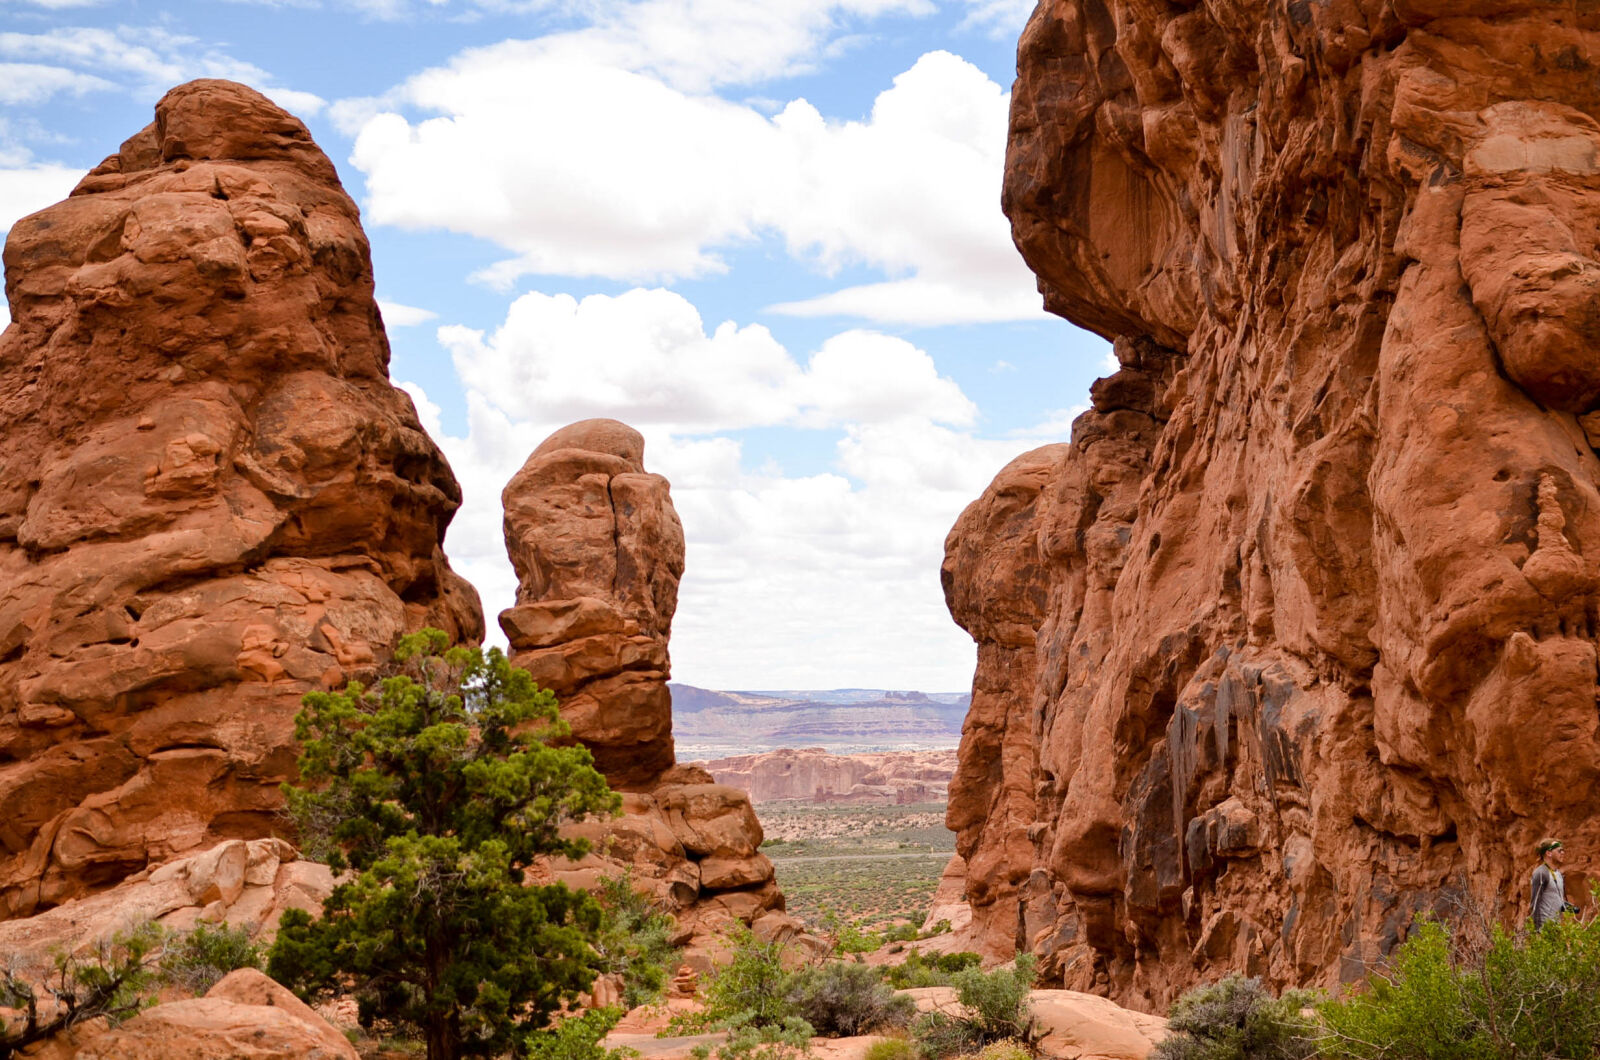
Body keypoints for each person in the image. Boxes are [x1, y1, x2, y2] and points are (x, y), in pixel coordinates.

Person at [1530, 837, 1576, 929]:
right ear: (1549, 853)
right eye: (1559, 851)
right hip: (1544, 929)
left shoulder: (1558, 873)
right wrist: (1537, 931)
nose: (1563, 853)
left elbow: (1555, 899)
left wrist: (1568, 907)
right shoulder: (1541, 873)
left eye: (1563, 850)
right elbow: (1534, 904)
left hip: (1556, 927)